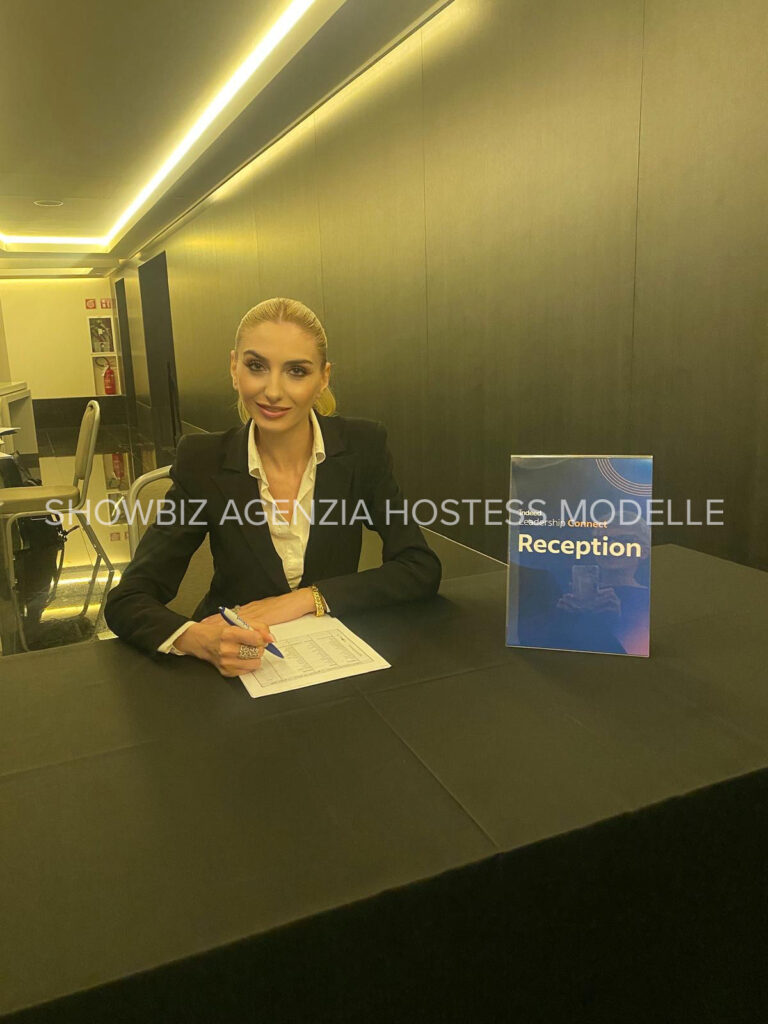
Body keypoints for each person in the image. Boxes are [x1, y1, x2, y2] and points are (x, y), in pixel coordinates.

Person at [105, 297, 441, 677]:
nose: (273, 391)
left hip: (331, 659)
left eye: (297, 371)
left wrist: (306, 599)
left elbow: (419, 567)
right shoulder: (203, 461)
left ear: (323, 378)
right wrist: (198, 639)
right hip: (234, 666)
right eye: (256, 366)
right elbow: (128, 599)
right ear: (234, 368)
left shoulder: (362, 447)